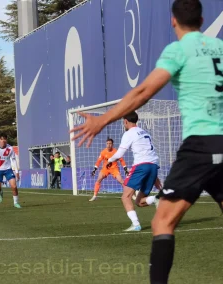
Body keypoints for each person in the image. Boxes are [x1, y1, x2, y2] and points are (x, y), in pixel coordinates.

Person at [71, 1, 223, 282]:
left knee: (162, 222)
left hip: (201, 145)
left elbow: (142, 92)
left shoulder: (178, 50)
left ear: (173, 21)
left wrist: (101, 120)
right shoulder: (220, 48)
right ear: (202, 20)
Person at [106, 112, 160, 231]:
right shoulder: (145, 132)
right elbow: (151, 154)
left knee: (125, 197)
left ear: (125, 121)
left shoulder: (129, 133)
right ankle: (156, 199)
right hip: (153, 166)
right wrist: (157, 180)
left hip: (141, 166)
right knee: (139, 202)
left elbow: (120, 153)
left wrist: (109, 160)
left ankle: (136, 225)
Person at [0, 133, 21, 208]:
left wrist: (16, 171)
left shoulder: (10, 148)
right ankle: (0, 192)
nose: (3, 141)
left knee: (14, 186)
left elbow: (13, 160)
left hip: (8, 169)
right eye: (1, 139)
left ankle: (16, 203)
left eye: (5, 139)